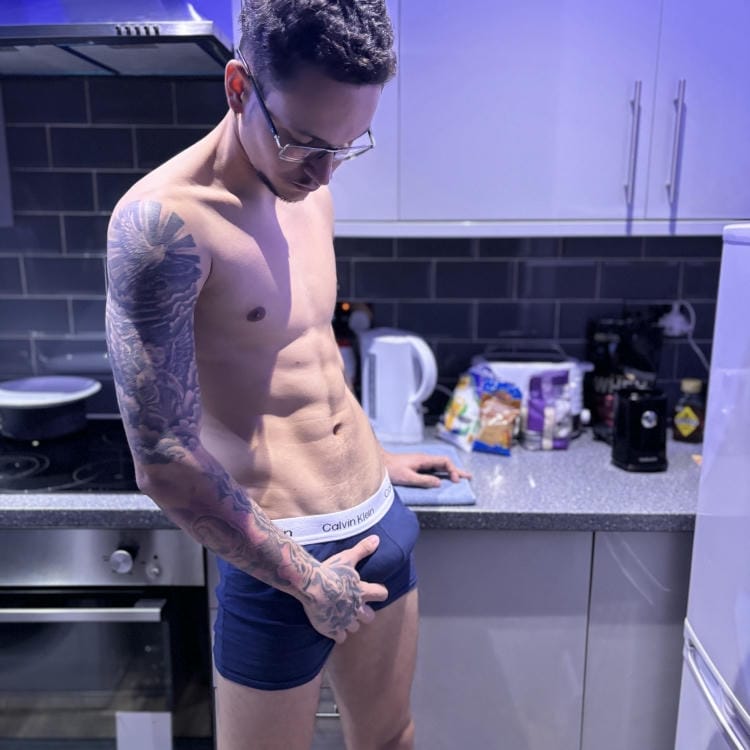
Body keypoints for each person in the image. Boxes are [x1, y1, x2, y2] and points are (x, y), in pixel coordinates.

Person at [105, 1, 469, 748]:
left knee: (391, 738)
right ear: (239, 87)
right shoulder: (162, 228)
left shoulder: (312, 187)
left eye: (347, 146)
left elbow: (306, 353)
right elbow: (162, 458)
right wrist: (309, 580)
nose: (326, 171)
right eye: (305, 142)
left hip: (378, 515)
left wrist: (371, 452)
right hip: (281, 556)